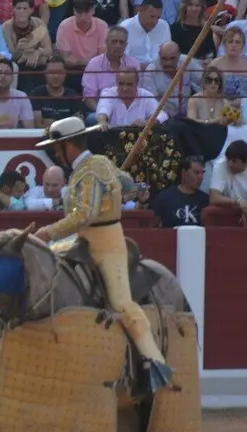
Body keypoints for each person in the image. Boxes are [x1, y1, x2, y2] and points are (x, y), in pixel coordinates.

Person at [33, 116, 173, 393]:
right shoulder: (97, 164)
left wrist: (48, 232)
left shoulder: (89, 169)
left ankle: (155, 364)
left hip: (106, 243)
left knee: (121, 303)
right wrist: (121, 185)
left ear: (66, 146)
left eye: (54, 149)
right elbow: (129, 182)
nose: (53, 154)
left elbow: (85, 214)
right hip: (80, 241)